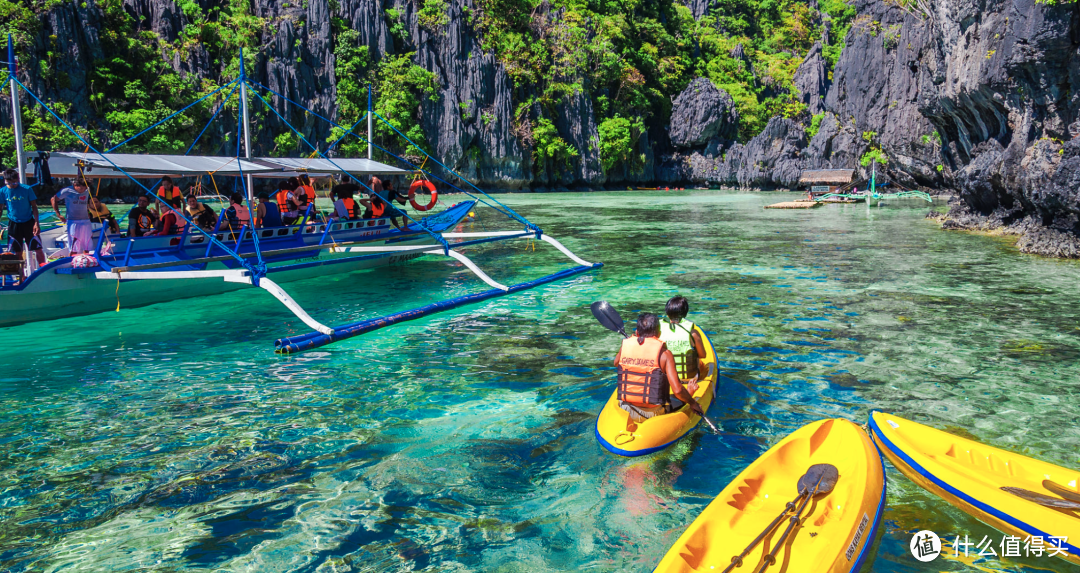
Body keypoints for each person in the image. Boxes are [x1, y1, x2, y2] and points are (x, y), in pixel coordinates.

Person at [613, 312, 704, 422]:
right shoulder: (665, 354)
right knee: (681, 396)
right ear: (659, 334)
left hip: (626, 409)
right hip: (652, 414)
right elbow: (678, 391)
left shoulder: (625, 346)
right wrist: (693, 403)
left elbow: (616, 363)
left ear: (637, 332)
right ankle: (689, 392)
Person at [0, 168, 45, 269]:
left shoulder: (27, 189)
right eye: (10, 183)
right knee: (17, 252)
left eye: (15, 182)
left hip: (29, 222)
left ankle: (43, 271)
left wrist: (36, 223)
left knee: (38, 248)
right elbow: (0, 208)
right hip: (14, 224)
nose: (13, 185)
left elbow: (34, 206)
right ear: (5, 181)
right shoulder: (2, 191)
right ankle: (21, 277)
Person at [660, 295, 708, 383]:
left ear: (667, 314)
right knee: (700, 361)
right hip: (688, 379)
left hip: (666, 379)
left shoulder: (659, 331)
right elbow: (703, 355)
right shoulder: (692, 333)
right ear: (685, 313)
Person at [51, 178, 93, 253]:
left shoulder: (87, 189)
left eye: (85, 188)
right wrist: (58, 214)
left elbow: (86, 201)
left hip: (86, 220)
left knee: (87, 244)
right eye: (82, 188)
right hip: (73, 220)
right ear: (75, 185)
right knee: (74, 245)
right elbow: (53, 199)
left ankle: (86, 260)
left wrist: (88, 211)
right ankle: (73, 258)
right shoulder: (67, 191)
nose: (84, 190)